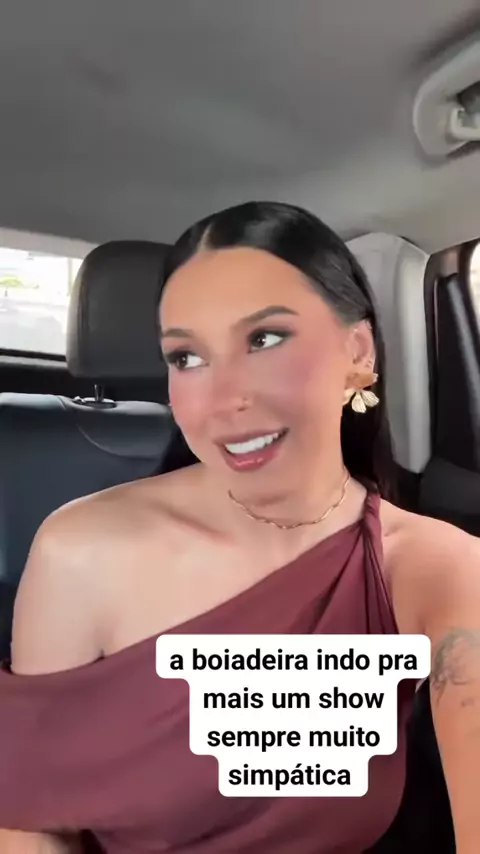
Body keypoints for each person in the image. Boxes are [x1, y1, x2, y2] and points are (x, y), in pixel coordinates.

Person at [0, 201, 479, 854]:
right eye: (186, 357)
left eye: (265, 339)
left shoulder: (429, 567)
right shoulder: (80, 552)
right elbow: (31, 819)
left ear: (358, 353)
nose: (223, 399)